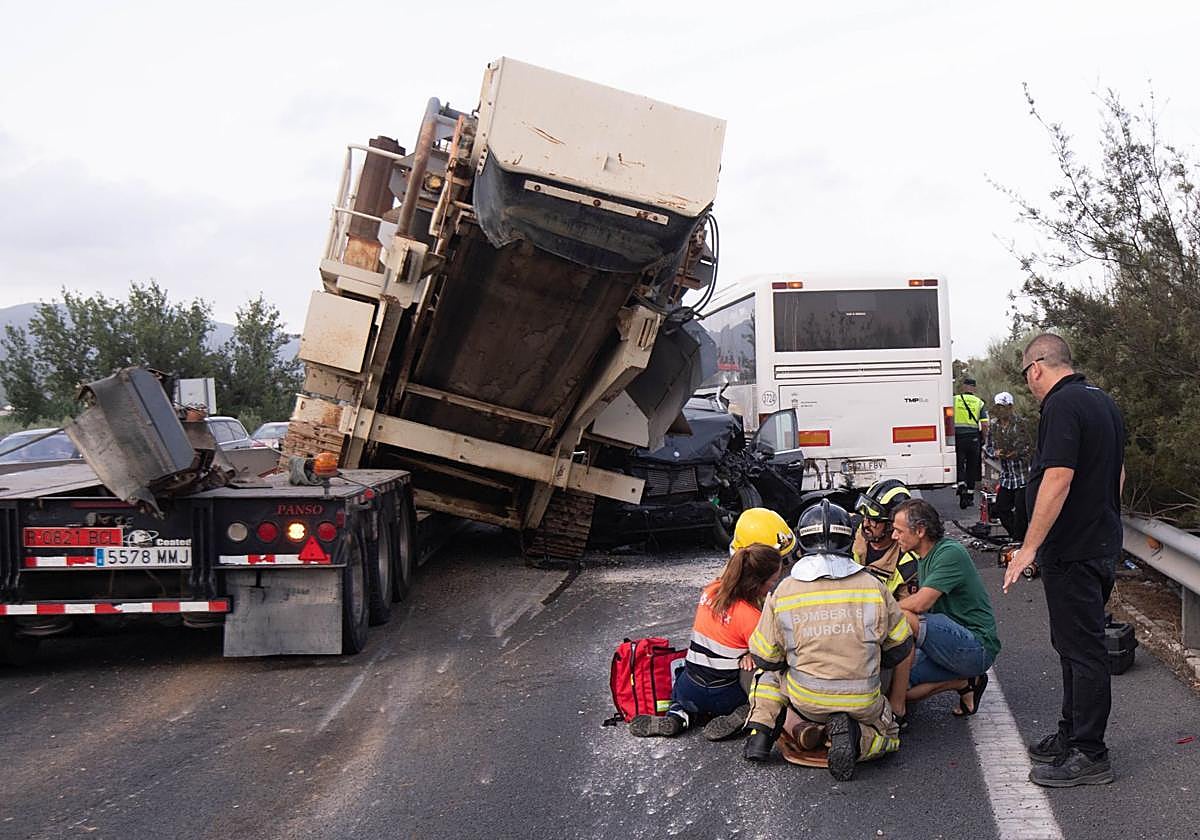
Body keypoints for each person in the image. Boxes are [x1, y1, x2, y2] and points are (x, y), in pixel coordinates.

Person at [1003, 333, 1125, 788]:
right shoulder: (1102, 402)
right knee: (1074, 647)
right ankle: (1071, 735)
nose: (1029, 383)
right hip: (1098, 544)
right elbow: (1118, 473)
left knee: (1084, 651)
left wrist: (1029, 547)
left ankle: (1091, 753)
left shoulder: (1061, 405)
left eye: (1026, 374)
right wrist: (1105, 520)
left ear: (1037, 367)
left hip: (1074, 551)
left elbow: (1057, 478)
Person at [742, 500, 914, 781]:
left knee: (768, 676)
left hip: (806, 700)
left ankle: (760, 732)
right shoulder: (874, 586)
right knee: (890, 736)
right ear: (848, 540)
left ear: (802, 542)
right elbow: (899, 648)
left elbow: (765, 656)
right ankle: (857, 735)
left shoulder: (784, 591)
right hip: (863, 701)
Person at [630, 509, 793, 739]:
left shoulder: (711, 591)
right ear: (757, 584)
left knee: (682, 674)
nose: (774, 586)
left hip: (689, 687)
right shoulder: (751, 616)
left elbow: (724, 632)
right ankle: (745, 712)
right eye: (772, 582)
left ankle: (677, 715)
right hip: (723, 694)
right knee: (760, 677)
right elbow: (772, 655)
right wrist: (750, 653)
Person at [890, 498, 1000, 721]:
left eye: (898, 531)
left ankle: (896, 712)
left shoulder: (951, 552)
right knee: (900, 683)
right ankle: (966, 682)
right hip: (949, 644)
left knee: (902, 616)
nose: (894, 536)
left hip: (977, 646)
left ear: (920, 531)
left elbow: (920, 604)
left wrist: (879, 608)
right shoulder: (923, 558)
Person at [853, 479, 920, 596]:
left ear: (892, 525)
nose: (866, 524)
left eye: (874, 521)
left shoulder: (907, 564)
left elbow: (905, 610)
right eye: (865, 517)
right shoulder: (849, 533)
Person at [987, 391, 1032, 542]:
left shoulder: (1021, 424)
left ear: (1011, 407)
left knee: (1021, 511)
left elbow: (1028, 447)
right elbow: (987, 447)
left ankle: (1021, 540)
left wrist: (1014, 453)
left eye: (1004, 407)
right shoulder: (994, 426)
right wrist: (995, 452)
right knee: (1001, 508)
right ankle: (1016, 537)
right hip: (1007, 477)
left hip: (1023, 475)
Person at [954, 377, 988, 509]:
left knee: (959, 462)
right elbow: (984, 424)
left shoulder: (955, 399)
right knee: (972, 466)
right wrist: (983, 438)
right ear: (974, 388)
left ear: (963, 387)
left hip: (958, 436)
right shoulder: (979, 402)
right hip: (973, 437)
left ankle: (961, 484)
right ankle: (969, 495)